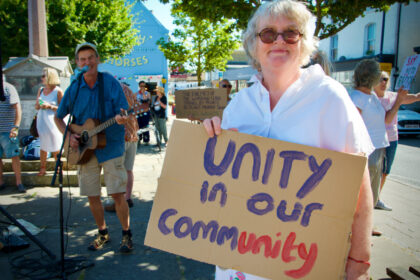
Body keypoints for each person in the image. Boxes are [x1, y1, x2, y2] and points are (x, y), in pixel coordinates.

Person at [203, 1, 374, 279]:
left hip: (303, 264)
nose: (279, 41)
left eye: (291, 33)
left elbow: (359, 189)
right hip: (239, 262)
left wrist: (359, 262)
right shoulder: (238, 105)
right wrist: (209, 138)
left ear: (304, 43)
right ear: (254, 45)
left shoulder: (329, 97)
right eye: (268, 34)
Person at [54, 42, 133, 253]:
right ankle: (103, 232)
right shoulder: (74, 87)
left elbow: (123, 111)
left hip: (111, 146)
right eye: (82, 59)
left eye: (90, 57)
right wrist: (69, 135)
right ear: (78, 63)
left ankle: (126, 234)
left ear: (97, 59)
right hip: (84, 150)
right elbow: (58, 117)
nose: (87, 62)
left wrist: (122, 118)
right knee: (92, 195)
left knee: (117, 194)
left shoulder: (110, 83)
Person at [374, 71, 420, 211]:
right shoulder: (371, 99)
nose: (383, 82)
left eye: (386, 79)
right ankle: (370, 199)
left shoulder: (393, 96)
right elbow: (385, 119)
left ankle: (377, 198)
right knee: (374, 171)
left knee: (385, 171)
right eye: (380, 79)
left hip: (392, 139)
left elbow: (414, 97)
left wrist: (417, 96)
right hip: (376, 139)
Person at [349, 60, 389, 210]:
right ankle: (355, 227)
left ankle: (367, 224)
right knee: (362, 192)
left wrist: (398, 101)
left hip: (378, 147)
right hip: (367, 150)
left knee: (373, 190)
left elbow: (385, 119)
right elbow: (354, 128)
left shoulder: (372, 95)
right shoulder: (357, 98)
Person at [105, 82, 139, 212]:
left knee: (117, 169)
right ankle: (127, 198)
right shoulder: (128, 90)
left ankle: (117, 202)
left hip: (120, 135)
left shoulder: (111, 91)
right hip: (132, 132)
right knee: (128, 169)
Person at [35, 67, 64, 176]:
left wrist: (50, 106)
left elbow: (63, 108)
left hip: (53, 121)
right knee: (43, 144)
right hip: (42, 120)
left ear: (50, 77)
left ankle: (58, 167)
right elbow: (36, 106)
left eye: (44, 76)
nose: (41, 78)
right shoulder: (41, 90)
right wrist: (39, 105)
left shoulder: (58, 91)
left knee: (56, 144)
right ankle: (42, 168)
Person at [0, 80, 26, 193]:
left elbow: (17, 108)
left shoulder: (8, 88)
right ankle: (1, 182)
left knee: (14, 156)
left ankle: (19, 182)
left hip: (8, 130)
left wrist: (15, 127)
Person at [136, 81, 151, 146]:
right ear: (139, 86)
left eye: (144, 86)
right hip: (138, 112)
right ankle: (139, 139)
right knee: (139, 126)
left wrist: (143, 93)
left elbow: (147, 101)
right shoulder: (136, 94)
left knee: (145, 126)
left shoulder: (147, 93)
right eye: (141, 86)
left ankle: (146, 140)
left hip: (145, 112)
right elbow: (134, 102)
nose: (143, 87)